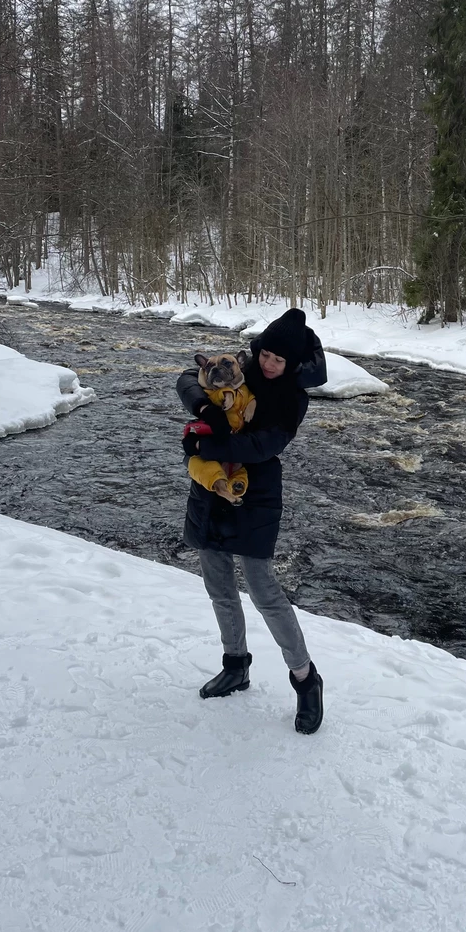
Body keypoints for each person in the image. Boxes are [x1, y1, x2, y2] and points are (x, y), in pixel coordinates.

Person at [176, 308, 327, 734]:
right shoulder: (237, 365)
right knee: (219, 587)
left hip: (256, 493)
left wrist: (217, 442)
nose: (268, 365)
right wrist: (204, 407)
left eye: (279, 361)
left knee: (265, 592)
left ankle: (305, 679)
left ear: (292, 364)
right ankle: (235, 665)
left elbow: (267, 443)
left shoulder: (293, 397)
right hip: (211, 489)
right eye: (266, 356)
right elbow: (186, 378)